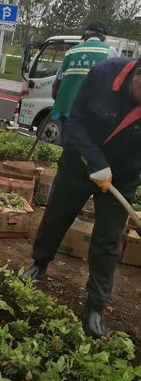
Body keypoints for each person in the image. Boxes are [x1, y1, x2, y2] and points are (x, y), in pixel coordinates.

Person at [22, 56, 141, 338]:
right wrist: (95, 160)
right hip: (80, 161)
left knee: (108, 240)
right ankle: (39, 262)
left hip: (122, 176)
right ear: (137, 76)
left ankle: (95, 305)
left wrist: (121, 174)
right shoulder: (102, 74)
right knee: (57, 215)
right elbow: (74, 121)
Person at [50, 21, 118, 132]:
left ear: (86, 36)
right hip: (93, 110)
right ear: (103, 37)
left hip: (68, 109)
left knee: (68, 140)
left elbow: (57, 81)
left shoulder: (71, 51)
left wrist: (56, 96)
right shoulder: (109, 51)